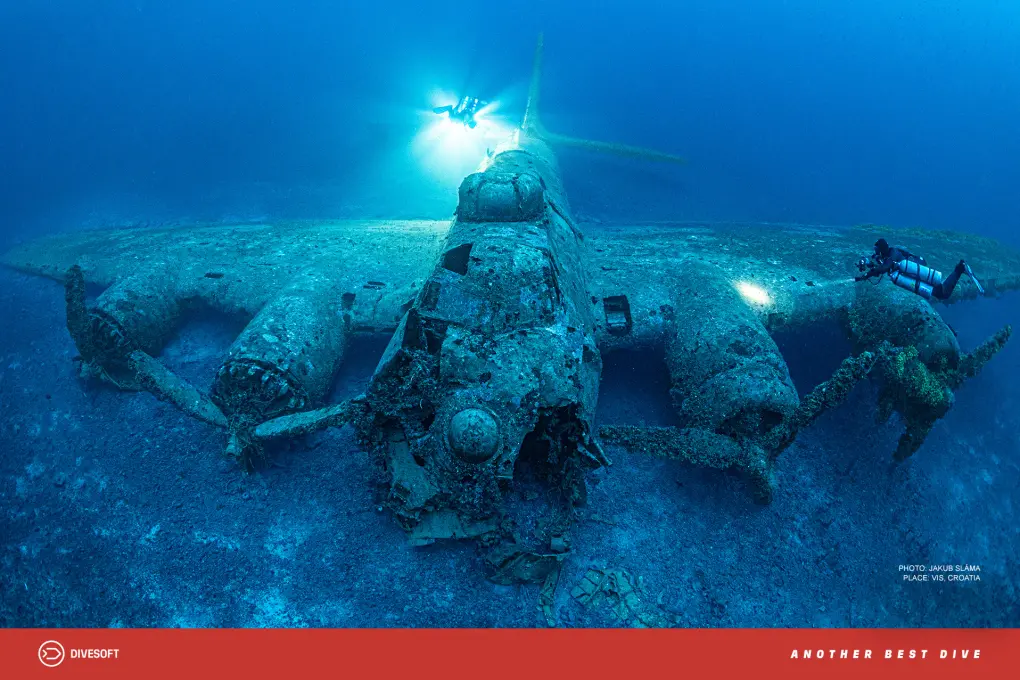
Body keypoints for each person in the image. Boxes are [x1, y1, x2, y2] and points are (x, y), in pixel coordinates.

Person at [854, 238, 983, 300]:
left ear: (881, 249)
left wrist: (867, 275)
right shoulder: (888, 256)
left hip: (916, 273)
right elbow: (878, 267)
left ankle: (960, 268)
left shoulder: (893, 254)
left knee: (942, 293)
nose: (875, 253)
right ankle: (959, 269)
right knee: (942, 293)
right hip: (913, 275)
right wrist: (866, 266)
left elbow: (884, 267)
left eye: (877, 250)